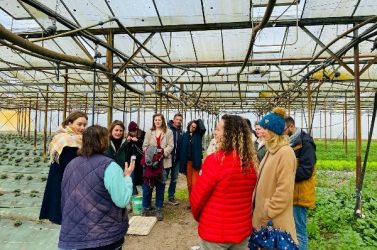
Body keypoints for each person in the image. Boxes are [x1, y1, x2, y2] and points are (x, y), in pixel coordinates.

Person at [58, 125, 134, 250]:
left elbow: (65, 198)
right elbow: (122, 200)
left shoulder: (71, 165)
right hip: (104, 237)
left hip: (74, 235)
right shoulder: (109, 166)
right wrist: (127, 177)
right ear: (103, 141)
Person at [190, 115, 257, 250]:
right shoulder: (250, 163)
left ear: (229, 134)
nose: (215, 132)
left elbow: (198, 198)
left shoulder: (215, 161)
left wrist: (200, 218)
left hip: (215, 232)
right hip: (241, 231)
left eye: (218, 129)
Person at [250, 107, 298, 248]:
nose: (261, 131)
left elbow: (284, 192)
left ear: (273, 131)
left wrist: (267, 212)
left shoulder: (285, 153)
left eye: (265, 128)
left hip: (274, 224)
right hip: (263, 221)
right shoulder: (271, 151)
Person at [39, 111, 87, 225]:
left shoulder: (75, 138)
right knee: (67, 216)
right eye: (79, 124)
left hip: (64, 179)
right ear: (69, 123)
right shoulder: (66, 140)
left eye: (84, 125)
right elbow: (69, 165)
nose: (82, 127)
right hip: (65, 181)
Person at [285, 117, 317, 250]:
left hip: (300, 195)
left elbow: (306, 171)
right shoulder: (290, 143)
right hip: (290, 194)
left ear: (291, 127)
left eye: (284, 130)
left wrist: (285, 176)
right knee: (290, 228)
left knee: (299, 230)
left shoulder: (306, 143)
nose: (282, 133)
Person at [142, 113, 174, 221]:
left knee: (160, 186)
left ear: (163, 121)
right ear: (153, 121)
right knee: (147, 186)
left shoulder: (168, 132)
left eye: (159, 120)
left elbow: (171, 145)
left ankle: (159, 208)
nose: (157, 122)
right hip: (151, 164)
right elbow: (145, 146)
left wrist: (161, 154)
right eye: (155, 120)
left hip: (164, 163)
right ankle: (146, 207)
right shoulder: (149, 132)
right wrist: (153, 154)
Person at [180, 119, 206, 207]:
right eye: (192, 126)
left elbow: (203, 128)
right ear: (189, 125)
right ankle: (191, 202)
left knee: (195, 184)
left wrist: (197, 121)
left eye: (195, 127)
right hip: (187, 163)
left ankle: (196, 202)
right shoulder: (185, 135)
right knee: (189, 184)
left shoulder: (198, 135)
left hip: (196, 163)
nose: (193, 128)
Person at [166, 113, 183, 205]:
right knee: (163, 178)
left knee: (174, 179)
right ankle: (159, 197)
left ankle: (171, 196)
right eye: (177, 119)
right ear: (173, 120)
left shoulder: (181, 131)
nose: (178, 121)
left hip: (177, 160)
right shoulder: (168, 130)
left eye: (180, 120)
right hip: (167, 158)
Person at [125, 121, 145, 195]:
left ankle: (143, 196)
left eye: (134, 131)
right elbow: (127, 150)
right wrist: (128, 142)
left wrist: (138, 141)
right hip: (132, 162)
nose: (133, 133)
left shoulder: (143, 135)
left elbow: (145, 148)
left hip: (141, 161)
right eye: (131, 131)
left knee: (142, 179)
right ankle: (133, 195)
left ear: (137, 129)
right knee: (132, 179)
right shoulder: (128, 137)